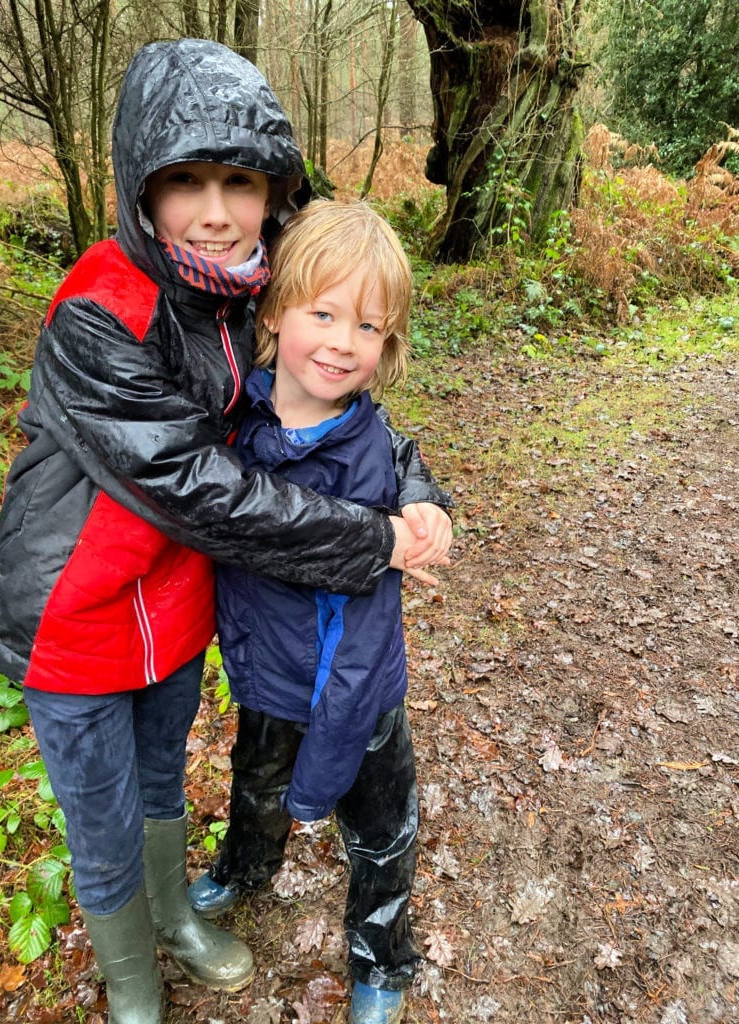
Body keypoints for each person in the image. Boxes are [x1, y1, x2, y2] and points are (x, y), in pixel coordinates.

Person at [0, 40, 452, 1024]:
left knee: (159, 786)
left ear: (273, 186)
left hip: (177, 609)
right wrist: (375, 543)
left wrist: (417, 490)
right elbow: (199, 486)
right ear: (139, 186)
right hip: (78, 614)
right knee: (102, 815)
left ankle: (177, 921)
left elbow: (343, 425)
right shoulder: (103, 311)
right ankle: (134, 986)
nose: (215, 208)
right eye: (184, 179)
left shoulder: (248, 297)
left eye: (239, 179)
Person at [187, 199, 451, 1024]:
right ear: (272, 311)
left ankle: (381, 953)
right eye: (324, 313)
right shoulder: (236, 417)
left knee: (381, 826)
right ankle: (246, 865)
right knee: (255, 786)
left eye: (369, 327)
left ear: (388, 345)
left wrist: (424, 502)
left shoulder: (372, 451)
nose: (342, 342)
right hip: (267, 675)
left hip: (358, 694)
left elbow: (402, 455)